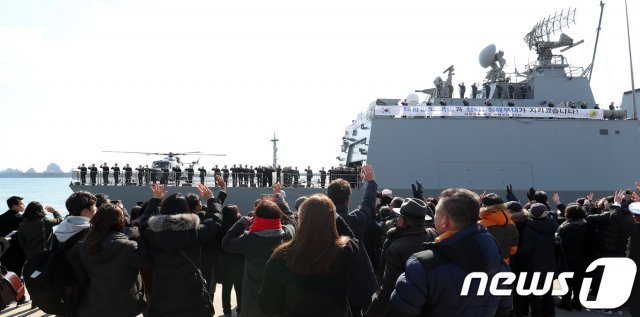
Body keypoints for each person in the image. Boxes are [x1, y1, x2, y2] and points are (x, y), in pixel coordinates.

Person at [391, 188, 507, 317]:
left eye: (436, 214)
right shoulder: (496, 259)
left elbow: (403, 311)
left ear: (444, 221)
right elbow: (505, 306)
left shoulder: (421, 265)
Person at [258, 195, 360, 316]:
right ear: (332, 219)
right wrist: (334, 216)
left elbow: (267, 306)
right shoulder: (346, 251)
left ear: (301, 219)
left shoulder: (282, 256)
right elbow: (352, 238)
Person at [138, 183, 223, 317]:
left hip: (162, 296)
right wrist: (211, 199)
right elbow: (215, 220)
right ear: (186, 209)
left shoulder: (152, 234)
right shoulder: (195, 232)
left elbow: (143, 224)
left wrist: (155, 200)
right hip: (192, 296)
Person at [222, 186, 295, 317]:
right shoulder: (286, 235)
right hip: (278, 302)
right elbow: (291, 220)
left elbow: (226, 243)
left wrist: (241, 222)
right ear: (278, 217)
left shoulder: (249, 239)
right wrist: (280, 198)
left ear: (255, 217)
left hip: (252, 303)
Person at [72, 203, 148, 317]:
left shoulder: (83, 246)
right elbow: (146, 261)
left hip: (95, 302)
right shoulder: (129, 246)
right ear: (120, 221)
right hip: (125, 304)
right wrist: (140, 238)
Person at [365, 198, 437, 317]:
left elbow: (388, 290)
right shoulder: (433, 234)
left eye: (399, 216)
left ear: (403, 221)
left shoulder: (396, 248)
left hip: (405, 308)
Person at [327, 165, 378, 316]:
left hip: (329, 287)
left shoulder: (321, 223)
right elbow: (368, 203)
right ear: (348, 200)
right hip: (359, 286)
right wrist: (371, 182)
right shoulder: (357, 220)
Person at [512, 203, 558, 317]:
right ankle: (550, 314)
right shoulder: (552, 226)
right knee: (548, 294)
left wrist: (515, 251)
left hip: (533, 266)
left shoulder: (529, 229)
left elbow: (526, 250)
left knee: (535, 295)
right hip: (549, 264)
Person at [556, 203, 587, 311]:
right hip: (582, 258)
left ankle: (566, 302)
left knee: (566, 280)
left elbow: (559, 244)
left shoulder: (564, 227)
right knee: (579, 281)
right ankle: (577, 302)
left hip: (567, 258)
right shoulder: (586, 225)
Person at [0, 196, 29, 304]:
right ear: (14, 206)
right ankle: (20, 298)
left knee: (6, 274)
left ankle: (7, 298)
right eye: (21, 204)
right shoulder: (20, 219)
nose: (24, 206)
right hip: (18, 251)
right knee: (18, 274)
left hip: (4, 250)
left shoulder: (1, 217)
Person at [217, 205, 244, 317]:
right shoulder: (240, 226)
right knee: (239, 288)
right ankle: (240, 311)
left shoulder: (220, 226)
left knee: (226, 289)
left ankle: (227, 311)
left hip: (224, 262)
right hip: (239, 262)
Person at [478, 193, 519, 265]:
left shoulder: (480, 224)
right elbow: (513, 249)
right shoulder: (511, 223)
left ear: (484, 206)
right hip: (504, 263)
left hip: (486, 264)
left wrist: (477, 204)